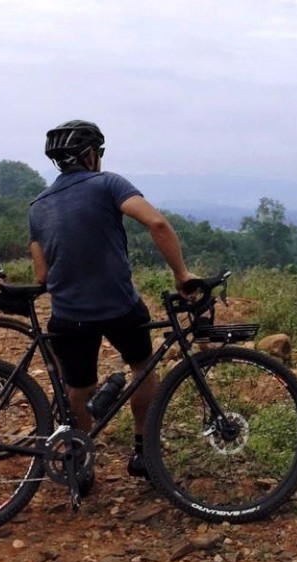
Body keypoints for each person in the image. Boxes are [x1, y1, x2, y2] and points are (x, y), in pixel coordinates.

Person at [28, 119, 198, 481]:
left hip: (68, 314)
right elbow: (158, 224)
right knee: (142, 366)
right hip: (119, 306)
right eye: (99, 153)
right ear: (91, 155)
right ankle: (143, 451)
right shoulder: (108, 183)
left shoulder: (38, 206)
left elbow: (41, 274)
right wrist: (182, 274)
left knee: (78, 385)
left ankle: (80, 462)